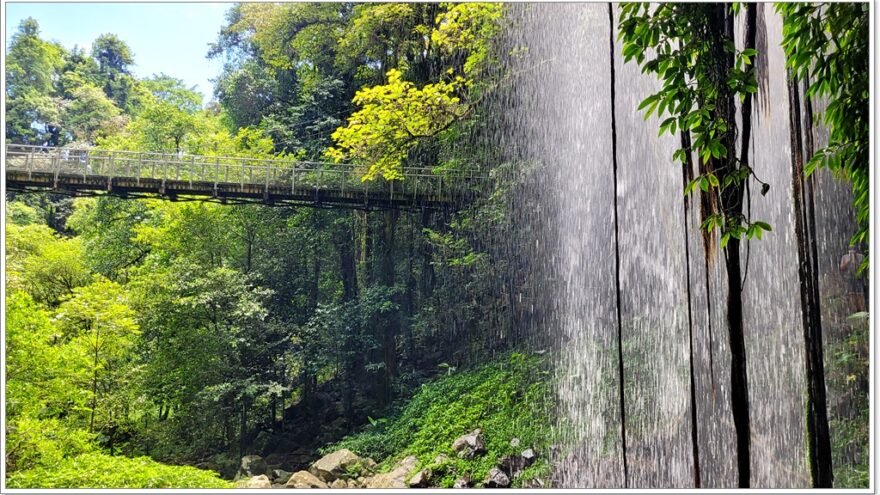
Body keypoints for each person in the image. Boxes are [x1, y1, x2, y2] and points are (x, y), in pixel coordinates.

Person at [839, 245, 866, 312]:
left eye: (853, 249)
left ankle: (862, 310)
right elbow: (841, 268)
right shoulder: (845, 257)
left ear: (856, 250)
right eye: (850, 249)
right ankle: (853, 310)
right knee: (851, 294)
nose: (852, 250)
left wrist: (856, 260)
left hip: (859, 278)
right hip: (849, 278)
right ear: (848, 250)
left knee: (860, 294)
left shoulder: (861, 256)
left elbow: (864, 267)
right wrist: (849, 261)